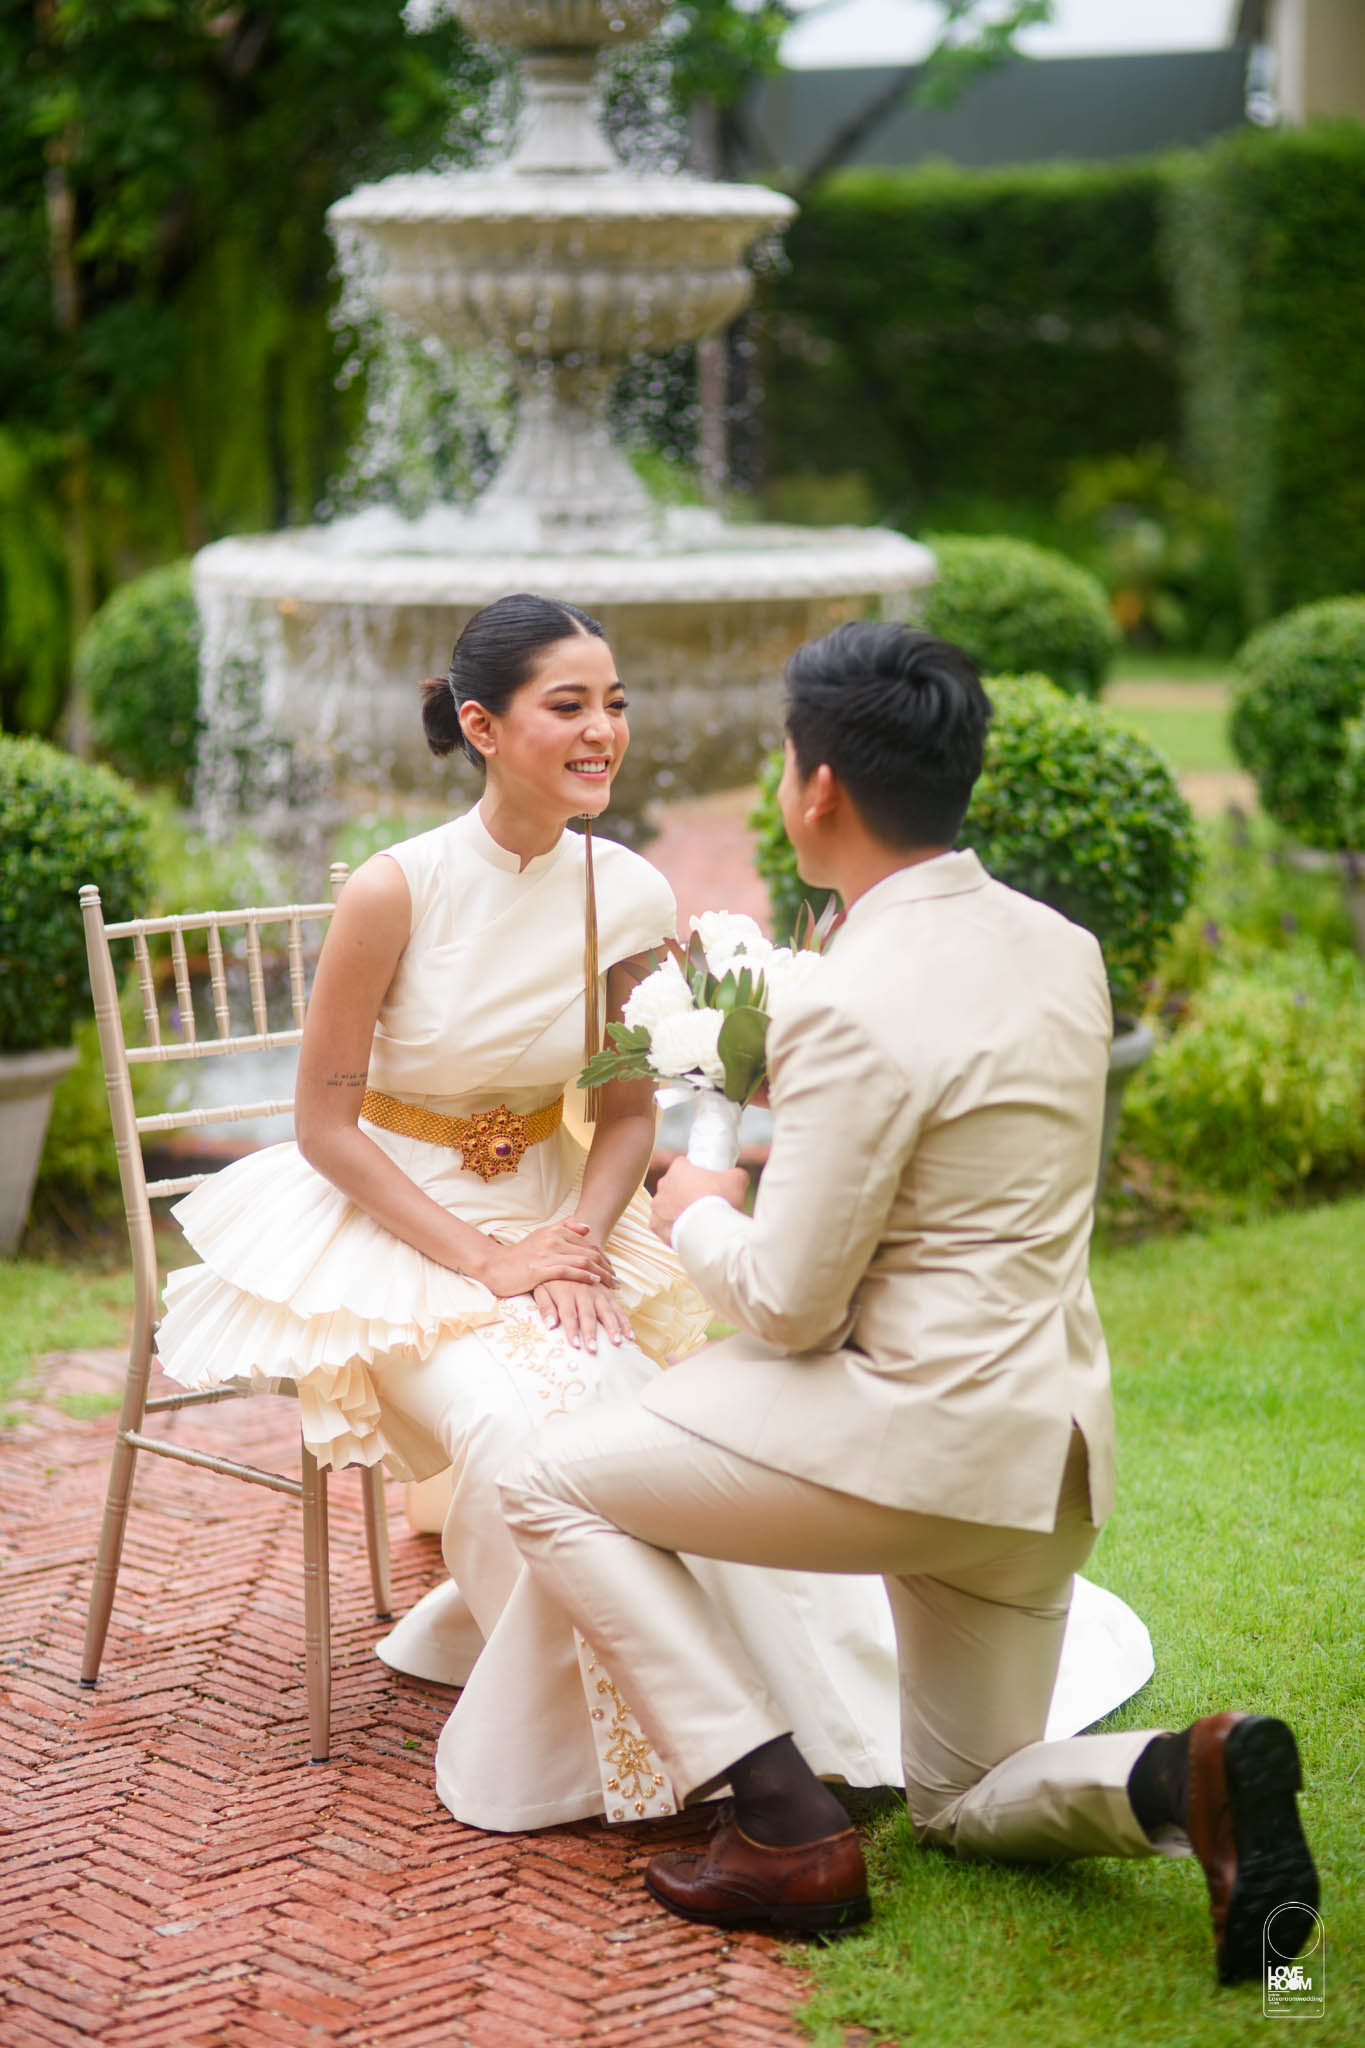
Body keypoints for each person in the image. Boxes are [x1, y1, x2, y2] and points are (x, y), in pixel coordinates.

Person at [157, 593, 1147, 1831]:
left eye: (615, 702)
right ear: (481, 725)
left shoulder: (624, 889)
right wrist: (490, 1258)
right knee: (517, 1423)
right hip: (396, 1226)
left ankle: (741, 1727)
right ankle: (630, 1748)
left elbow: (627, 1112)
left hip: (566, 1213)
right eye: (569, 704)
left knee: (618, 1386)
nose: (603, 729)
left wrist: (575, 1236)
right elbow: (324, 1124)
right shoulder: (394, 890)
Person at [498, 621, 1318, 1981]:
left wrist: (695, 1202)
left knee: (546, 1480)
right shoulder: (1061, 947)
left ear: (818, 786)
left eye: (783, 762)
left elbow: (790, 1306)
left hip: (907, 1449)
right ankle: (1183, 1779)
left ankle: (779, 1820)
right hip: (1045, 1462)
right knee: (962, 1797)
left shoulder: (851, 1001)